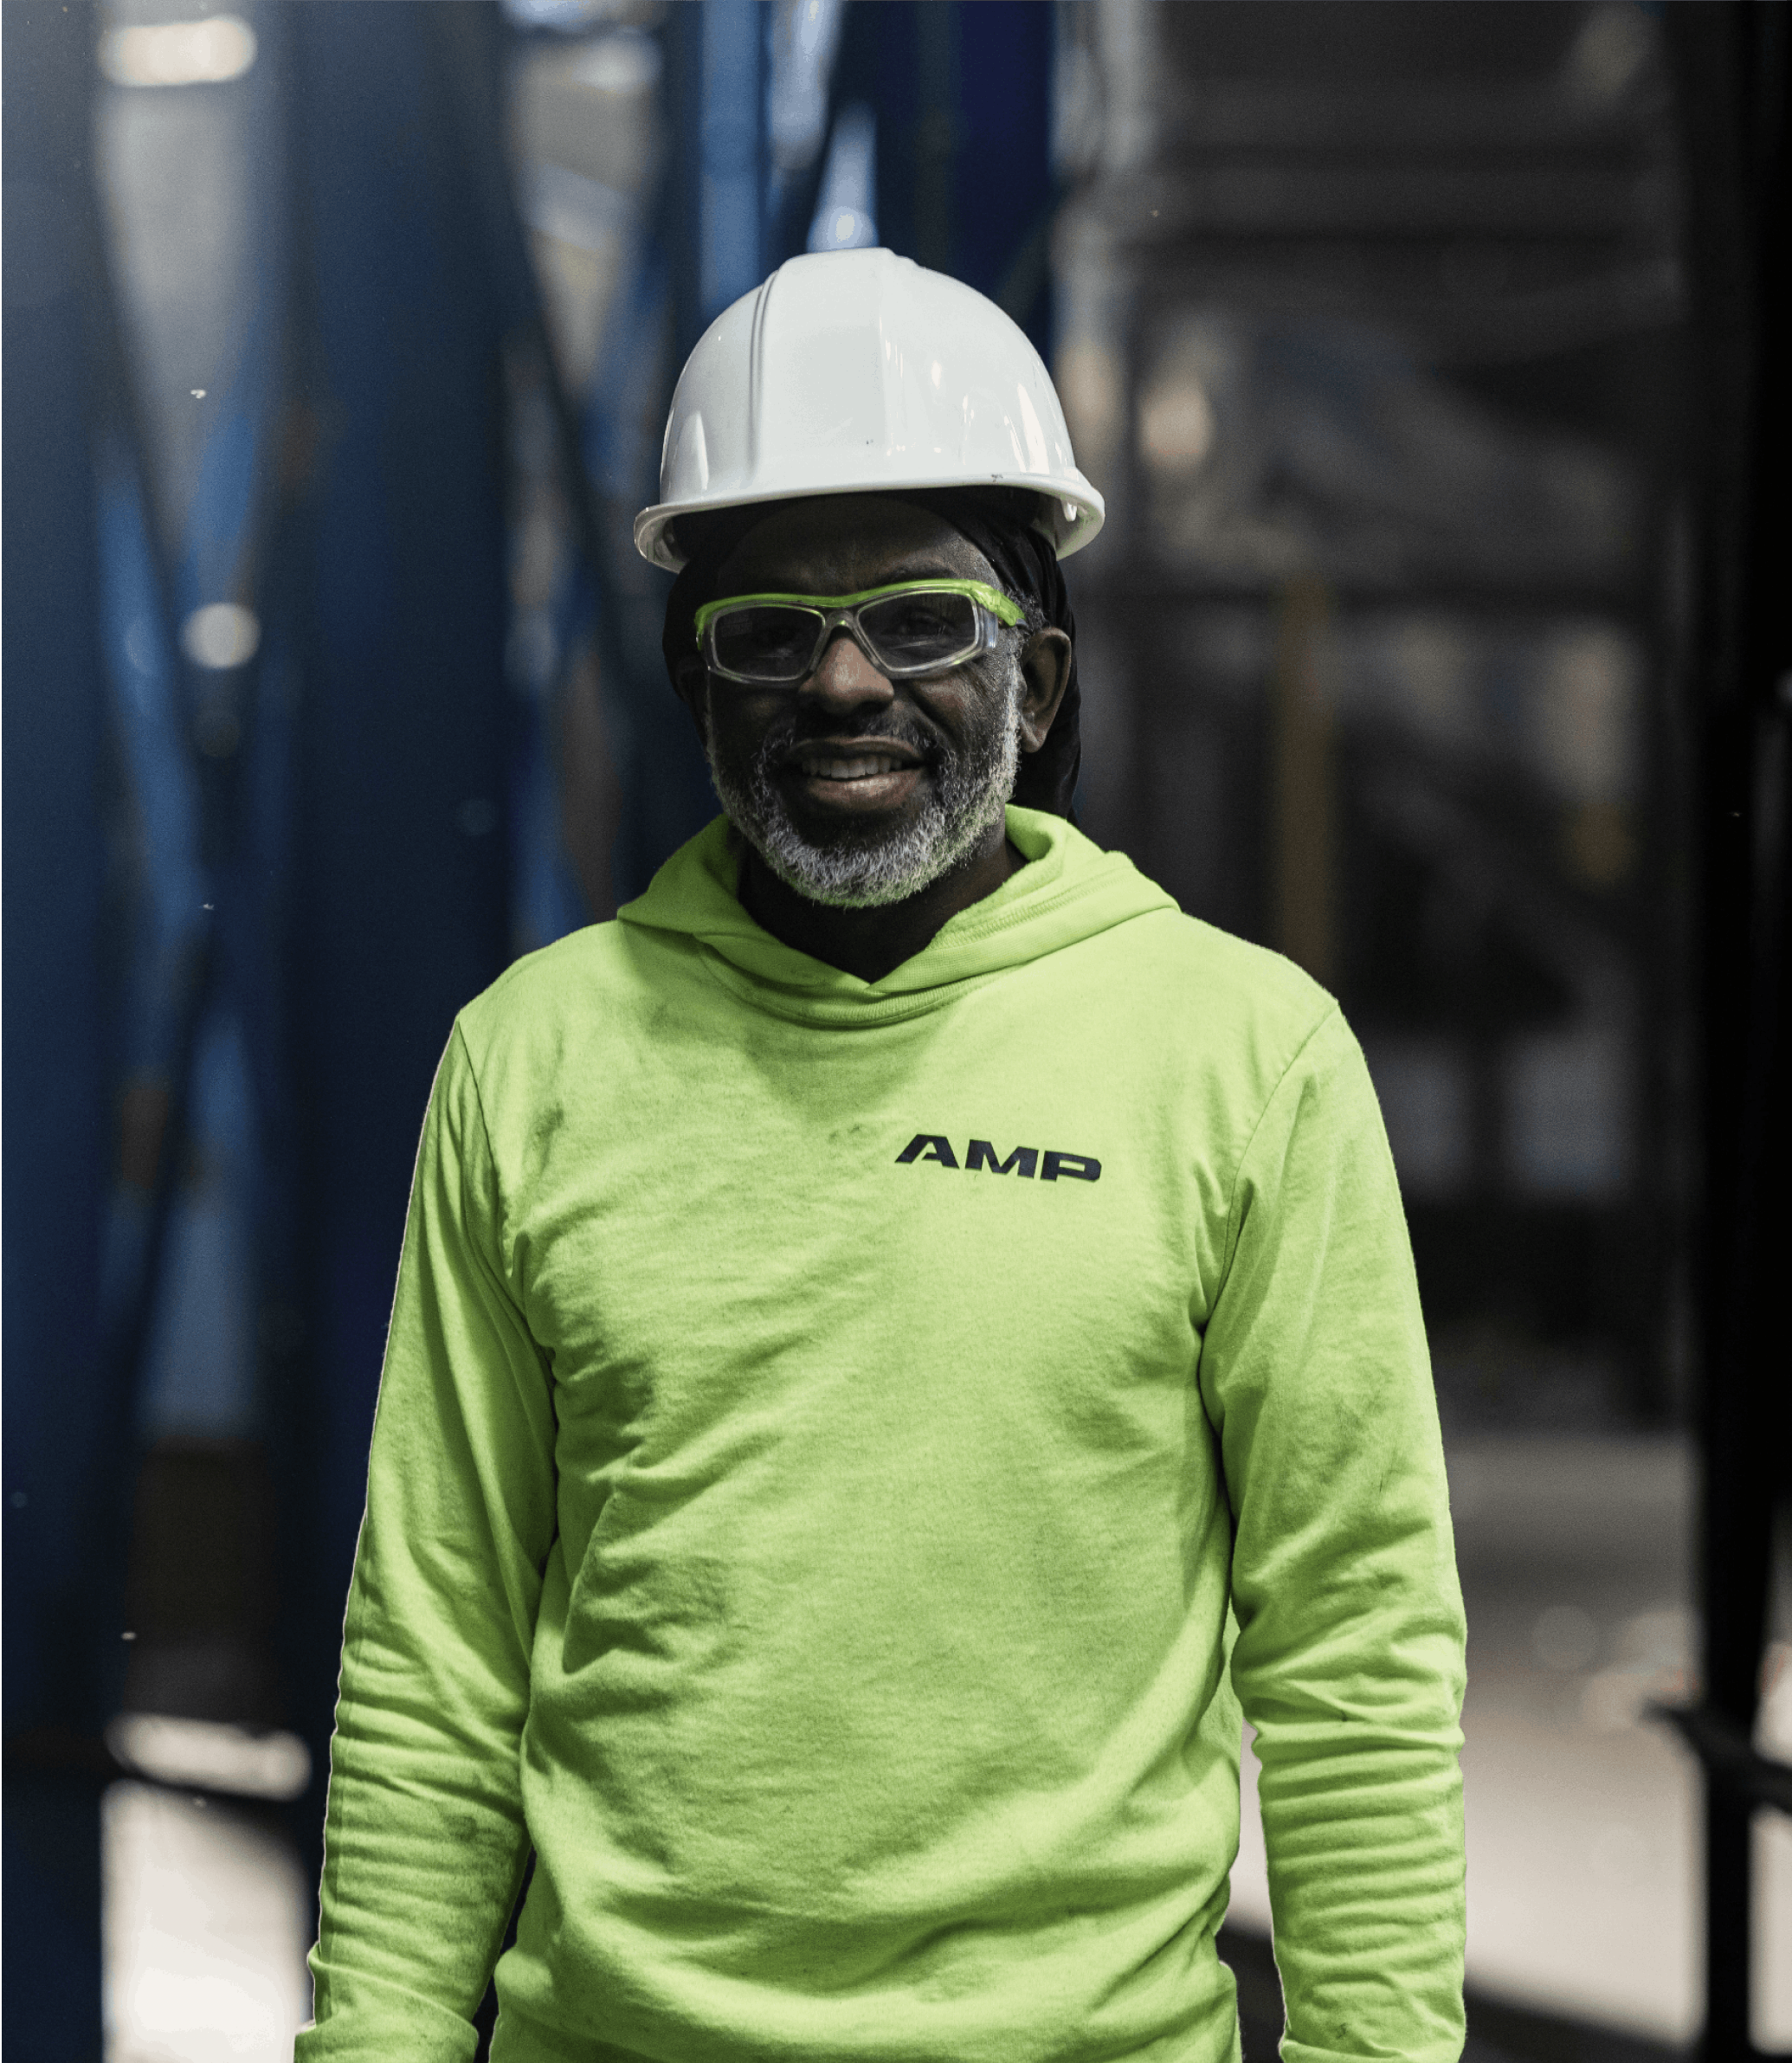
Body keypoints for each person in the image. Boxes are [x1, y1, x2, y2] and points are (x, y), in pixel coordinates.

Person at [299, 248, 1466, 2063]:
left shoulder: (1241, 1061)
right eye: (767, 632)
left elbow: (1355, 1653)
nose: (845, 684)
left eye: (923, 617)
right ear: (699, 693)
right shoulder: (531, 1061)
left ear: (1042, 678)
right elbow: (434, 1651)